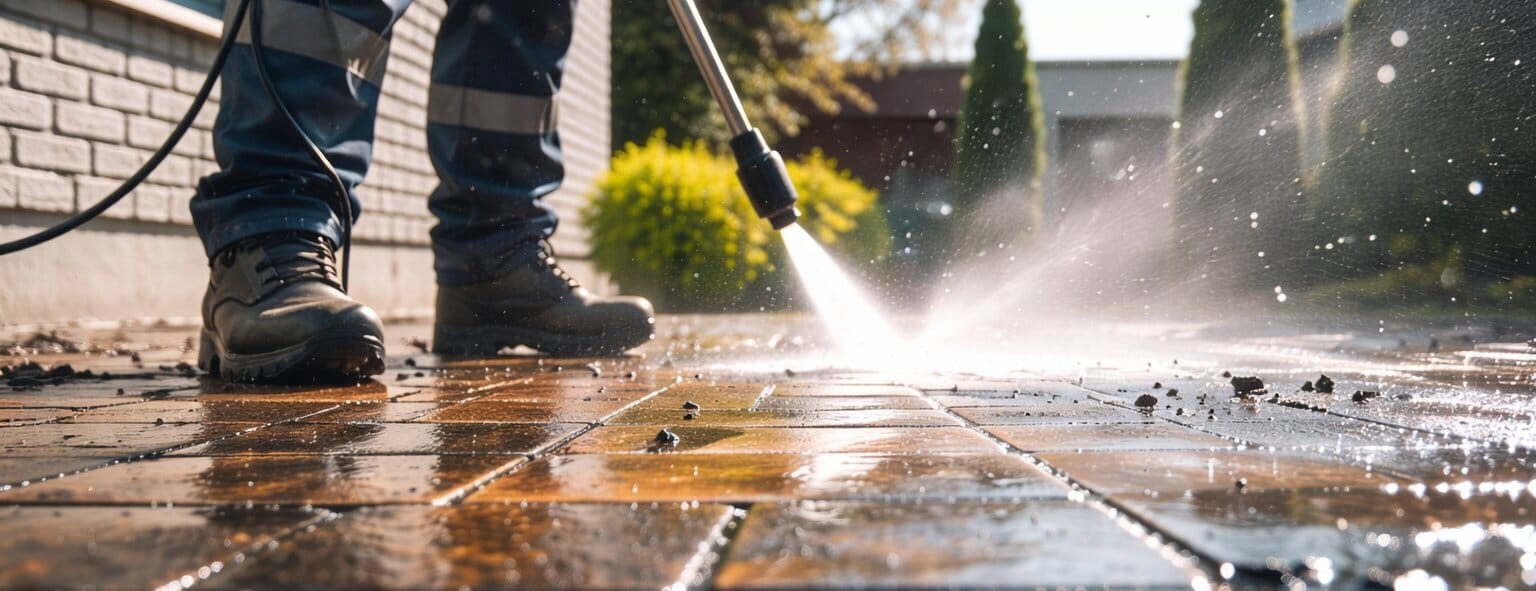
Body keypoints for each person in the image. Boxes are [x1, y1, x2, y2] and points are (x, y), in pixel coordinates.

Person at [194, 0, 653, 383]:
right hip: (270, 210)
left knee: (523, 12)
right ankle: (271, 233)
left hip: (495, 250)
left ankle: (493, 262)